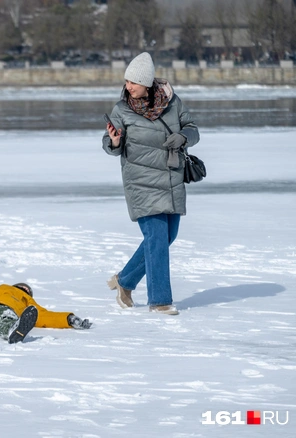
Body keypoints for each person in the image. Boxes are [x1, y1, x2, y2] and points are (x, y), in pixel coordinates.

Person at [102, 52, 200, 316]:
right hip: (141, 181)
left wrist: (183, 137)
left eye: (133, 82)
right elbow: (111, 146)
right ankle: (160, 301)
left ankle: (124, 281)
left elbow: (193, 128)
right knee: (156, 237)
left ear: (147, 83)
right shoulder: (121, 109)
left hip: (171, 178)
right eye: (126, 81)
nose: (128, 86)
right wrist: (113, 141)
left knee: (168, 236)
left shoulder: (172, 102)